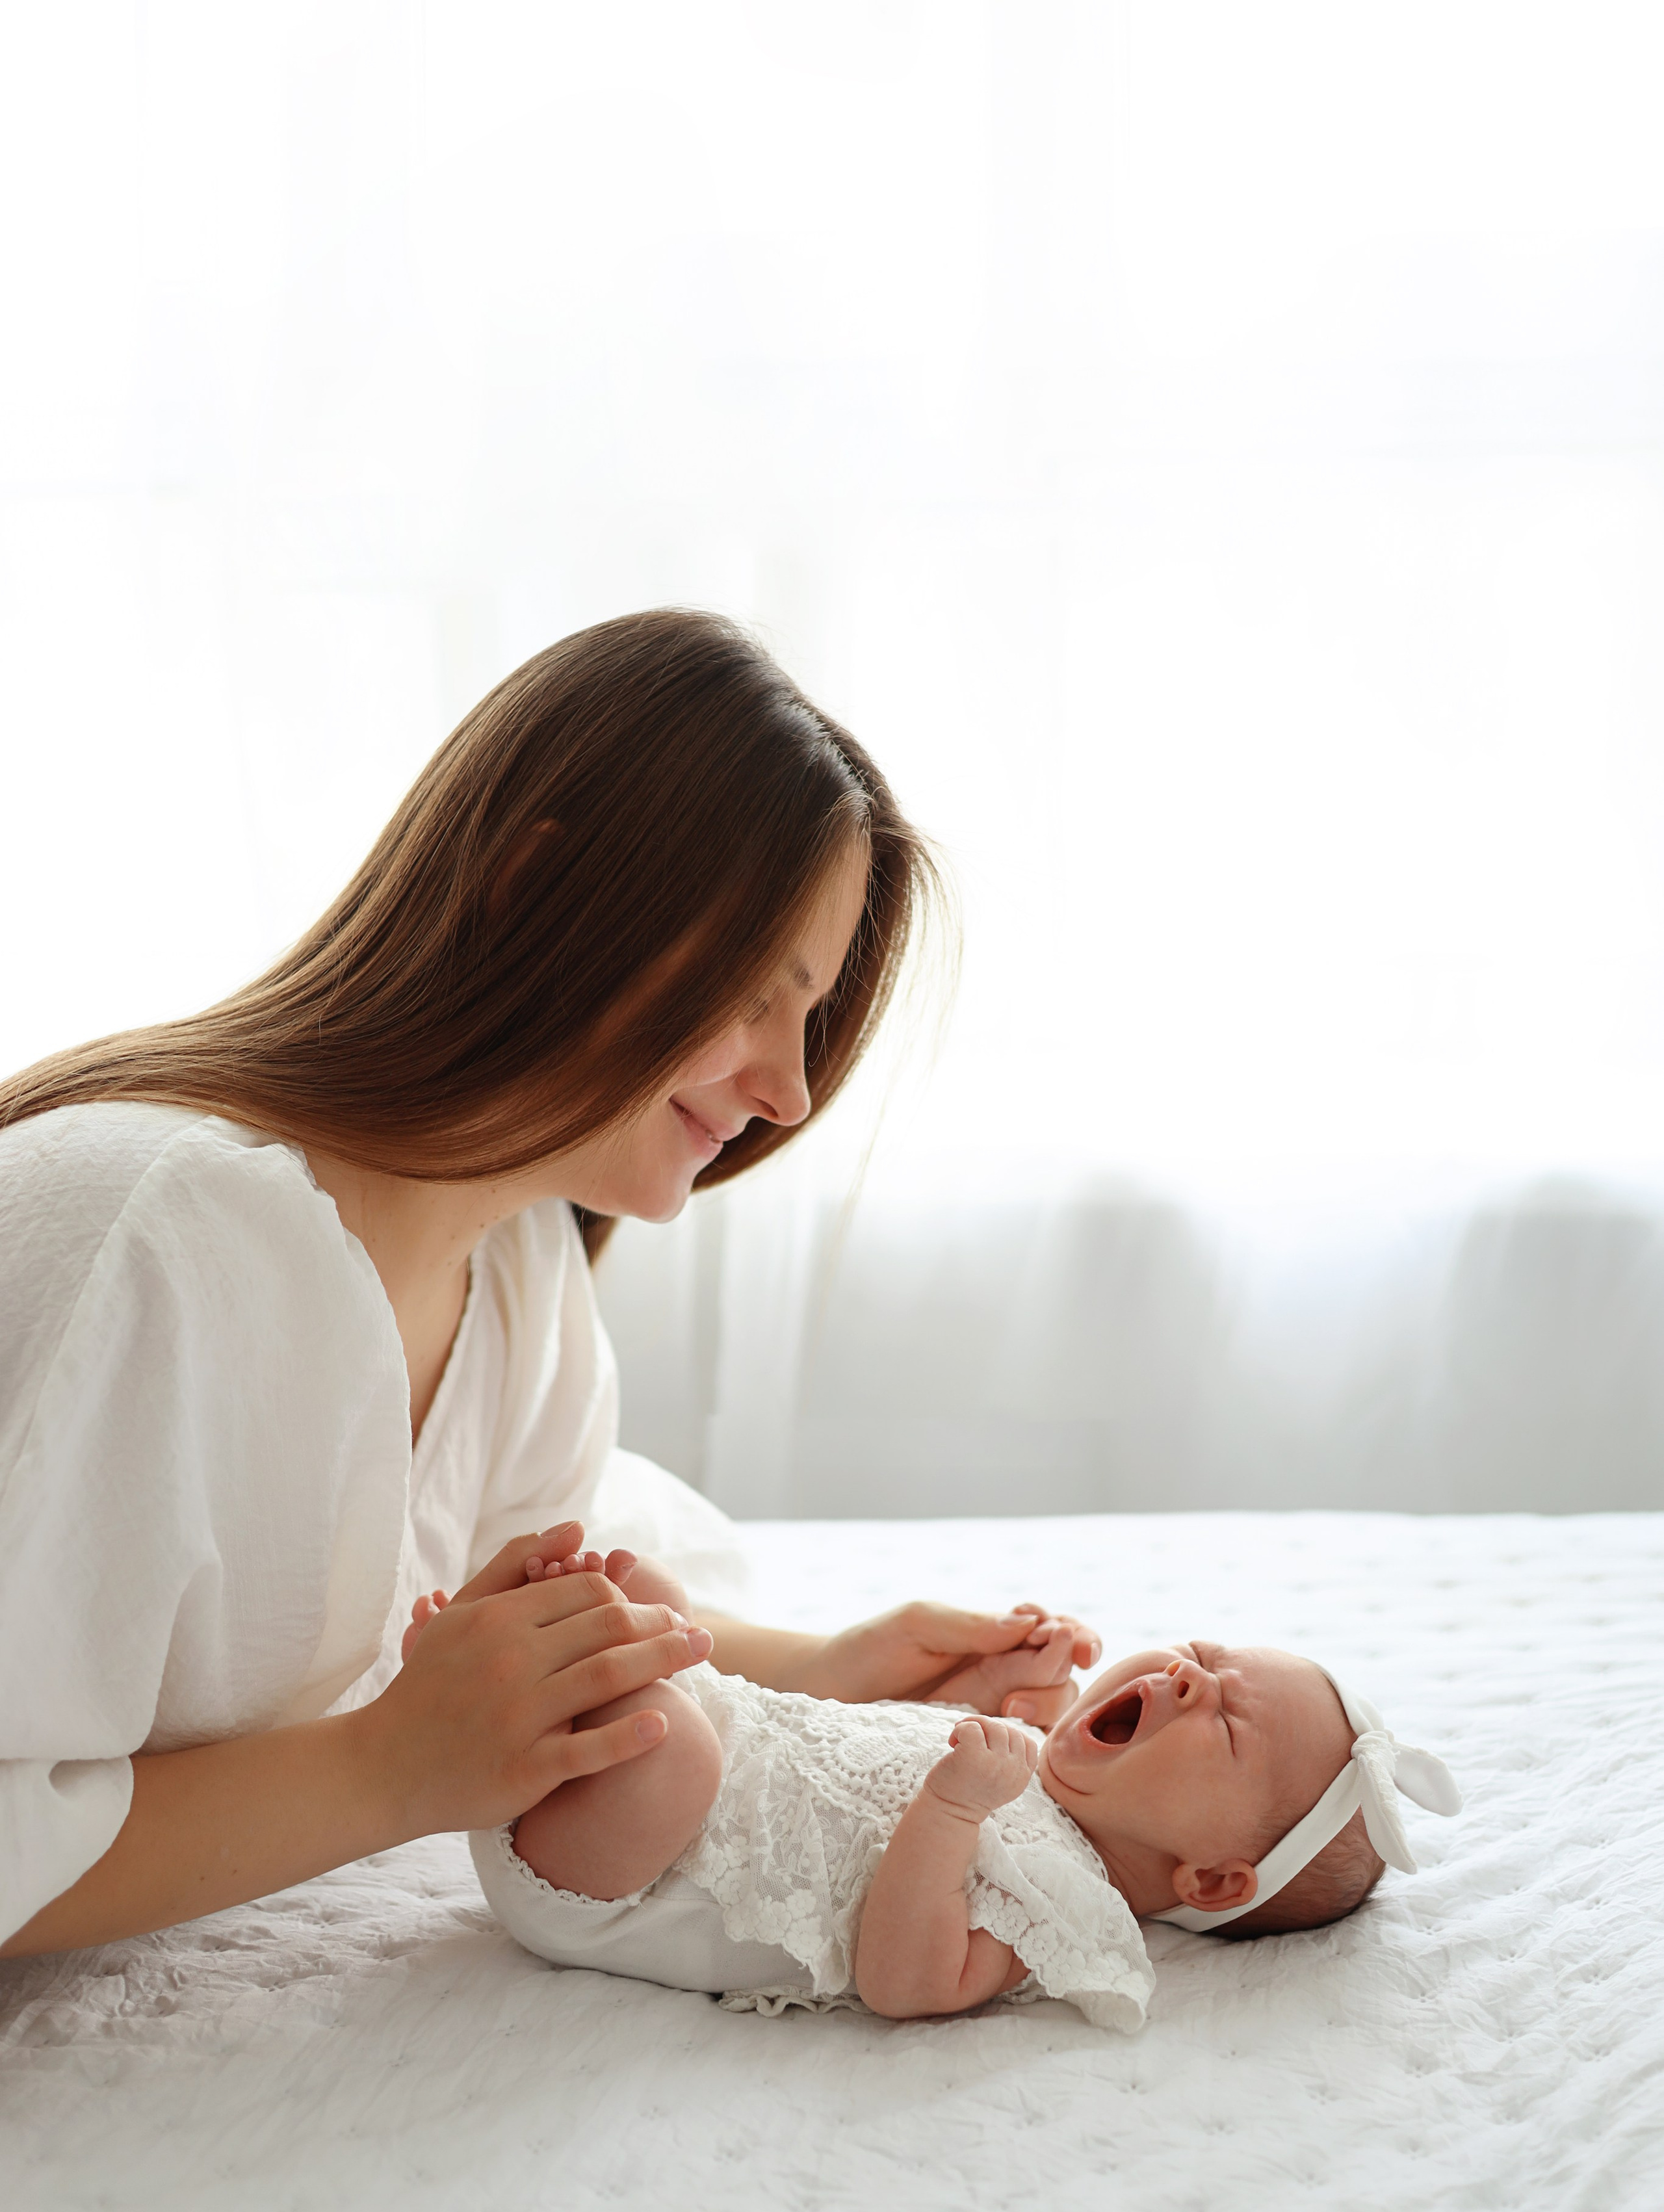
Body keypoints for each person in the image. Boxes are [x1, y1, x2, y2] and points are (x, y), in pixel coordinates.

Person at [0, 610, 1094, 1960]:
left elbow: (495, 1648)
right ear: (534, 893)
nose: (788, 1088)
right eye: (762, 994)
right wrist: (384, 1774)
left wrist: (820, 1672)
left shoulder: (515, 1272)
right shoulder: (145, 1240)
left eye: (805, 1023)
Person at [467, 1548, 1464, 2028]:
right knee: (666, 1612)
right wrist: (991, 1688)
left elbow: (912, 1982)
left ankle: (495, 1693)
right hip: (707, 1759)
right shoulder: (1025, 1767)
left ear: (1210, 1880)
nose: (1188, 1676)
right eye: (1202, 1653)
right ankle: (481, 1675)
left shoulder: (1063, 1909)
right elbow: (903, 1737)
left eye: (1227, 1722)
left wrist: (952, 1811)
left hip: (617, 1883)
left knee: (667, 1740)